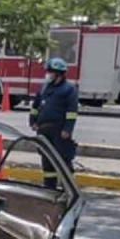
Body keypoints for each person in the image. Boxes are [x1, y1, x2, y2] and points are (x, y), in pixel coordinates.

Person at [28, 57, 78, 188]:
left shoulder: (69, 89)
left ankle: (69, 189)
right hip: (44, 130)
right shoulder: (44, 88)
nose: (47, 74)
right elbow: (35, 106)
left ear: (59, 74)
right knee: (47, 160)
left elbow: (72, 112)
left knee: (63, 159)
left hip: (59, 131)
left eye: (50, 71)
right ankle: (49, 189)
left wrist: (67, 129)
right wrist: (32, 121)